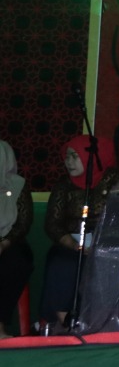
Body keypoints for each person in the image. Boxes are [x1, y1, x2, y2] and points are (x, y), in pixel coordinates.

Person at [40, 135, 119, 332]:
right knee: (61, 263)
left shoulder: (114, 181)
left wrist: (100, 244)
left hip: (106, 244)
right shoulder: (64, 185)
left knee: (110, 266)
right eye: (67, 156)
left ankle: (104, 323)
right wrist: (74, 245)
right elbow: (52, 223)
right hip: (71, 243)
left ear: (91, 158)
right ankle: (64, 323)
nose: (69, 162)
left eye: (75, 156)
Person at [0, 141, 34, 338]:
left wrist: (4, 243)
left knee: (15, 263)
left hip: (10, 241)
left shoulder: (17, 185)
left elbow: (23, 223)